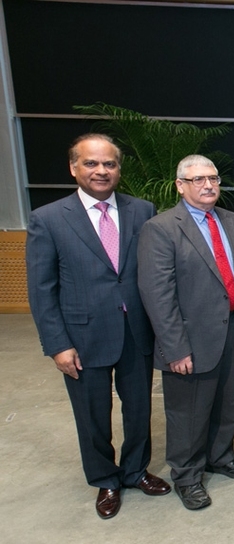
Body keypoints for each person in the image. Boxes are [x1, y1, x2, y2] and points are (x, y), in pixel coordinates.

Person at [26, 133, 170, 519]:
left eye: (109, 163)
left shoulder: (142, 210)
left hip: (136, 331)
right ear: (74, 168)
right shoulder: (49, 219)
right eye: (91, 163)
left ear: (119, 169)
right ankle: (105, 479)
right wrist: (56, 344)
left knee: (139, 409)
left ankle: (136, 469)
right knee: (93, 414)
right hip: (81, 336)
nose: (101, 171)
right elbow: (41, 290)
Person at [138, 155, 234, 510]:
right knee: (188, 413)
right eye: (197, 180)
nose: (208, 185)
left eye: (212, 178)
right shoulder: (161, 228)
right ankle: (188, 476)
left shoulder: (232, 220)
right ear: (180, 185)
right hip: (190, 340)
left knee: (229, 401)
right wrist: (175, 348)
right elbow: (157, 294)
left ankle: (220, 456)